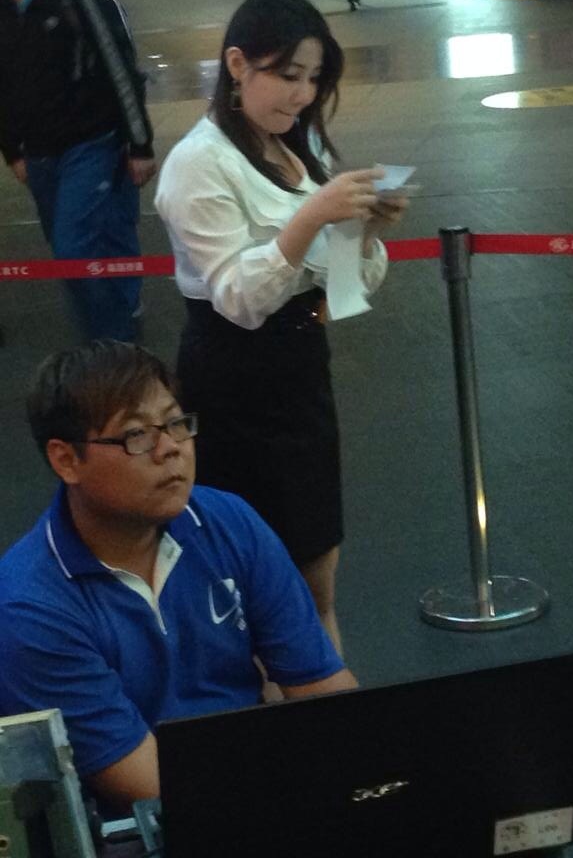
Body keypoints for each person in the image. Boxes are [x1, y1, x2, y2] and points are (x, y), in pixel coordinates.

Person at [0, 340, 357, 814]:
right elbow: (143, 780)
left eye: (175, 423)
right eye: (136, 435)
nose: (170, 449)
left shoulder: (229, 521)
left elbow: (322, 688)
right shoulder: (29, 606)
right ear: (66, 460)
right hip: (143, 825)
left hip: (258, 786)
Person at [154, 0, 407, 654]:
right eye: (289, 75)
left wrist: (364, 232)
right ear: (237, 64)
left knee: (318, 571)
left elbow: (342, 288)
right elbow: (237, 299)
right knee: (256, 587)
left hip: (301, 374)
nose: (303, 94)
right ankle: (284, 702)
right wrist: (313, 215)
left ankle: (323, 699)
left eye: (314, 78)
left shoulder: (296, 145)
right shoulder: (198, 164)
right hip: (234, 383)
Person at [0, 0, 156, 342]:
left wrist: (139, 144)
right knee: (69, 252)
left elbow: (118, 67)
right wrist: (12, 151)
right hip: (38, 153)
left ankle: (117, 342)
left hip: (90, 143)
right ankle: (106, 337)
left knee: (73, 249)